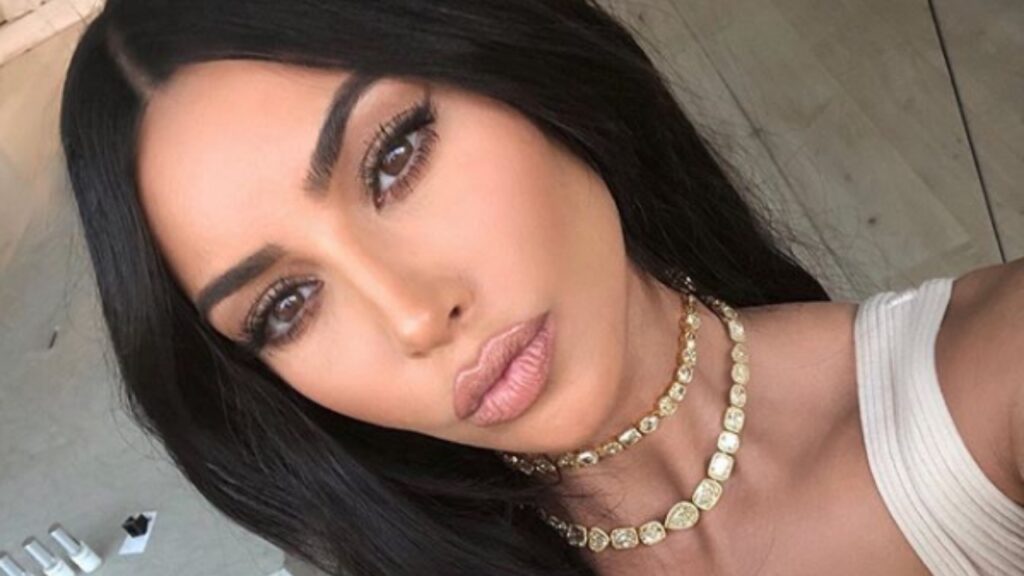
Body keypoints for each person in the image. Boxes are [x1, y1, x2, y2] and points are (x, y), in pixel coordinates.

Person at [59, 1, 1024, 575]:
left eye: (393, 158)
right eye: (287, 307)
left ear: (525, 71)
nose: (413, 316)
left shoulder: (993, 389)